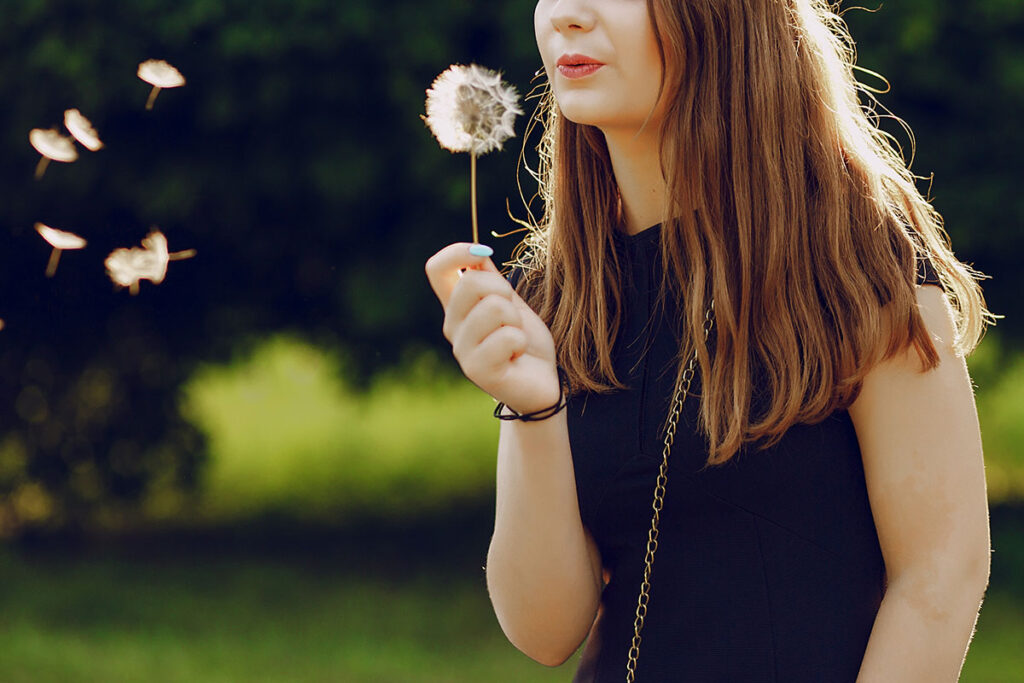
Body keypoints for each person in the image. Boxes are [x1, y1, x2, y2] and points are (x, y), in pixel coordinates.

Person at [424, 1, 996, 680]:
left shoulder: (853, 260)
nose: (568, 16)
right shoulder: (555, 295)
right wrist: (531, 409)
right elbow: (547, 631)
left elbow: (941, 573)